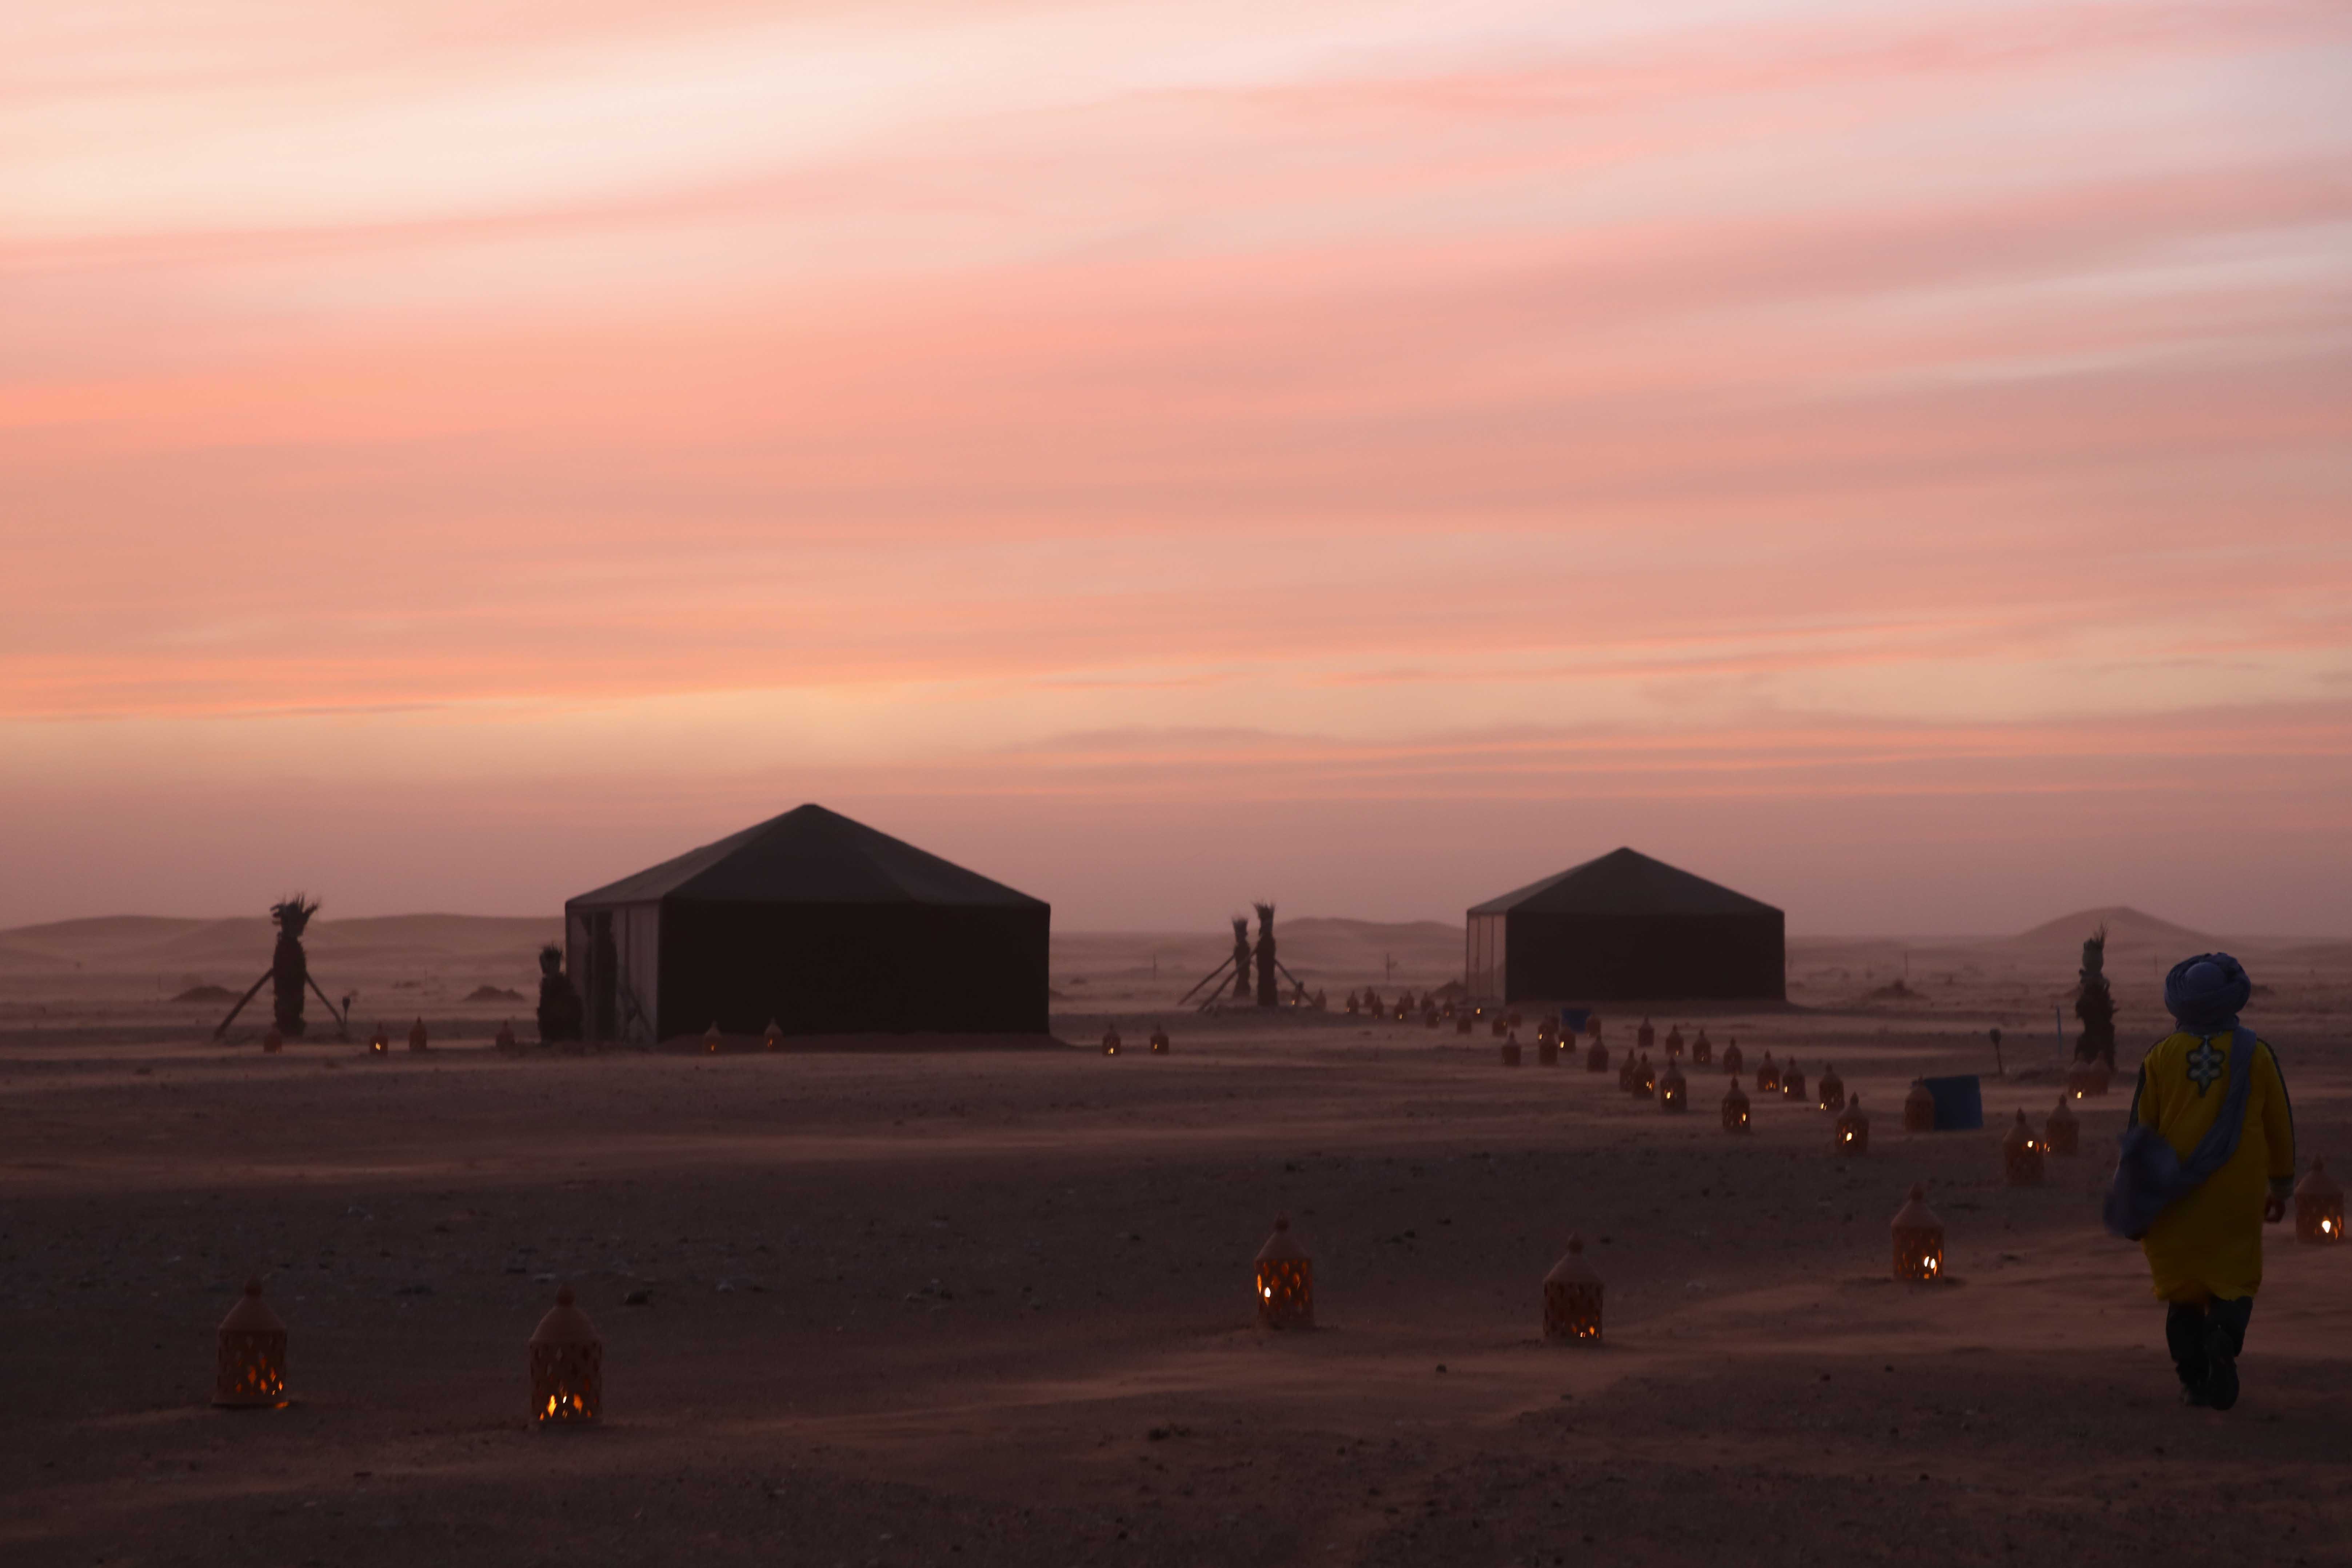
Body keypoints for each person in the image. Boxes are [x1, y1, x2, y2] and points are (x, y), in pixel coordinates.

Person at [2126, 953, 2296, 1410]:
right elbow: (2279, 1125)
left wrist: (2136, 1200)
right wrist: (2280, 1187)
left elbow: (2139, 1135)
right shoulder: (2256, 1054)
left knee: (2182, 1290)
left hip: (2174, 1195)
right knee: (2232, 1278)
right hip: (2235, 1194)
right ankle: (2223, 1333)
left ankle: (2193, 1378)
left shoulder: (2159, 1057)